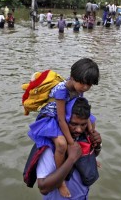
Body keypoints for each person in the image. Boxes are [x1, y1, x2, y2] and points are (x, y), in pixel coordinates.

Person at [28, 58, 100, 197]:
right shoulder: (62, 91)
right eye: (83, 84)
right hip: (51, 116)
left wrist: (92, 132)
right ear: (73, 78)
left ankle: (88, 157)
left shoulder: (79, 88)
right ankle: (61, 183)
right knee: (61, 144)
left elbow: (81, 104)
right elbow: (61, 119)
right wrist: (71, 143)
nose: (85, 87)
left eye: (89, 85)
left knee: (91, 120)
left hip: (65, 113)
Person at [36, 97, 102, 199]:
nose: (79, 129)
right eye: (73, 124)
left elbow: (88, 155)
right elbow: (43, 188)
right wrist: (71, 159)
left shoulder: (83, 136)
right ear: (65, 120)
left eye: (83, 124)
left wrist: (97, 145)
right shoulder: (52, 146)